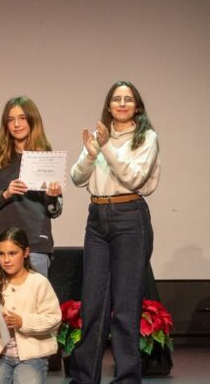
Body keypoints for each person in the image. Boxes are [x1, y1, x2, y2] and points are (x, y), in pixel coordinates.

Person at [69, 81, 161, 384]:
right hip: (97, 218)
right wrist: (91, 151)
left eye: (128, 99)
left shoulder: (146, 137)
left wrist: (106, 147)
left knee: (125, 306)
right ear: (108, 106)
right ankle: (85, 378)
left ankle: (127, 379)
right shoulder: (100, 136)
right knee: (93, 302)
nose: (122, 104)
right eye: (116, 99)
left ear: (137, 106)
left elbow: (133, 177)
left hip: (129, 217)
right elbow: (77, 178)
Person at [0, 97, 63, 279]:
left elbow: (55, 210)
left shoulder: (46, 155)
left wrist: (52, 197)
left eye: (22, 118)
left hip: (35, 245)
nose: (16, 124)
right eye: (10, 119)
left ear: (32, 120)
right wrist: (6, 193)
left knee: (34, 306)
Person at [0, 227, 60, 384]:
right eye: (1, 254)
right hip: (0, 355)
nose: (6, 260)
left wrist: (23, 322)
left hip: (32, 357)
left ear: (26, 252)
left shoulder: (38, 282)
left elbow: (53, 318)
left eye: (12, 253)